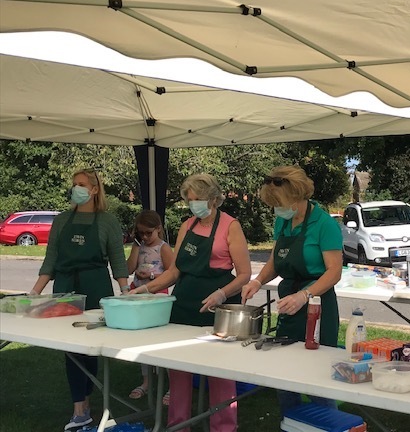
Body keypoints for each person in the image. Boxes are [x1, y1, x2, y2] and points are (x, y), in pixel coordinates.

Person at [130, 173, 252, 432]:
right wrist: (145, 290)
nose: (194, 204)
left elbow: (244, 274)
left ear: (213, 198)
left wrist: (221, 293)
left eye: (199, 199)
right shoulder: (188, 225)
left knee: (219, 373)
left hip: (217, 310)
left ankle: (224, 427)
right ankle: (178, 426)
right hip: (184, 305)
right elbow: (175, 271)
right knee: (179, 369)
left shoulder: (231, 226)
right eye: (190, 200)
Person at [29, 168, 129, 431]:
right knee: (71, 348)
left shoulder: (108, 221)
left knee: (91, 347)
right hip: (65, 286)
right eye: (74, 184)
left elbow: (118, 260)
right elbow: (50, 258)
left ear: (95, 190)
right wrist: (35, 292)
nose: (76, 189)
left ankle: (86, 398)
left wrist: (125, 291)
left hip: (95, 285)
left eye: (82, 184)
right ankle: (79, 407)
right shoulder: (61, 220)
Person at [241, 165, 343, 416]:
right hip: (289, 301)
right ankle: (291, 421)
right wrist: (257, 281)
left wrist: (305, 296)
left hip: (318, 304)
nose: (276, 209)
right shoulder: (283, 221)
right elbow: (277, 260)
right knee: (285, 370)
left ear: (297, 198)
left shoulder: (324, 224)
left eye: (279, 203)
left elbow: (334, 272)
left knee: (316, 374)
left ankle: (326, 422)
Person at [126, 210, 174, 402]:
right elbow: (129, 268)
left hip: (156, 295)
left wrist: (153, 277)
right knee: (142, 340)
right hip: (138, 293)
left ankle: (171, 384)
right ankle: (146, 380)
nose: (145, 237)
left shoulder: (163, 248)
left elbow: (172, 273)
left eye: (148, 233)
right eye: (141, 234)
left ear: (158, 230)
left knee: (162, 341)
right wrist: (136, 247)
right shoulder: (140, 246)